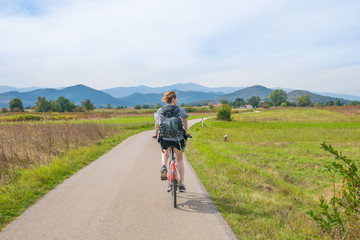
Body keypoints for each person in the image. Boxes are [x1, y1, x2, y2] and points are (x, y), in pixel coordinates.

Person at [154, 91, 189, 192]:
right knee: (180, 160)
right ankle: (181, 185)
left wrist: (156, 134)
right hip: (178, 140)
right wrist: (185, 133)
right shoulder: (181, 110)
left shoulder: (160, 110)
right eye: (176, 98)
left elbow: (157, 124)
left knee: (165, 150)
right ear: (173, 99)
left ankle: (164, 166)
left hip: (165, 139)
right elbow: (185, 123)